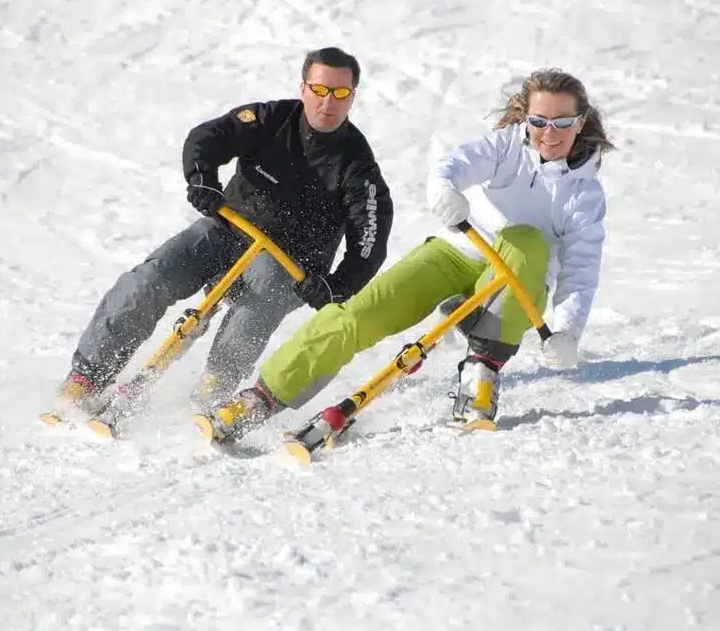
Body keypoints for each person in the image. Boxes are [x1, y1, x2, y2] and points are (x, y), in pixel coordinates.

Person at [203, 68, 614, 442]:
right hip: (457, 254)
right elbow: (452, 166)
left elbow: (580, 270)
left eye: (562, 122)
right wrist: (446, 193)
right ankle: (265, 395)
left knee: (527, 240)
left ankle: (481, 371)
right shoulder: (504, 147)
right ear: (527, 118)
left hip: (518, 282)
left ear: (579, 123)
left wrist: (566, 332)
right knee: (357, 315)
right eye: (539, 121)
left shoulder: (584, 194)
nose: (549, 133)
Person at [56, 47, 394, 422]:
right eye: (319, 90)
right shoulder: (270, 119)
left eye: (340, 93)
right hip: (228, 229)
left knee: (259, 297)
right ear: (303, 88)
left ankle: (209, 395)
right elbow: (210, 136)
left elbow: (370, 236)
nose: (327, 102)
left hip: (287, 263)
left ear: (353, 97)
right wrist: (202, 178)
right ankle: (87, 377)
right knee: (151, 277)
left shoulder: (356, 164)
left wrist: (337, 286)